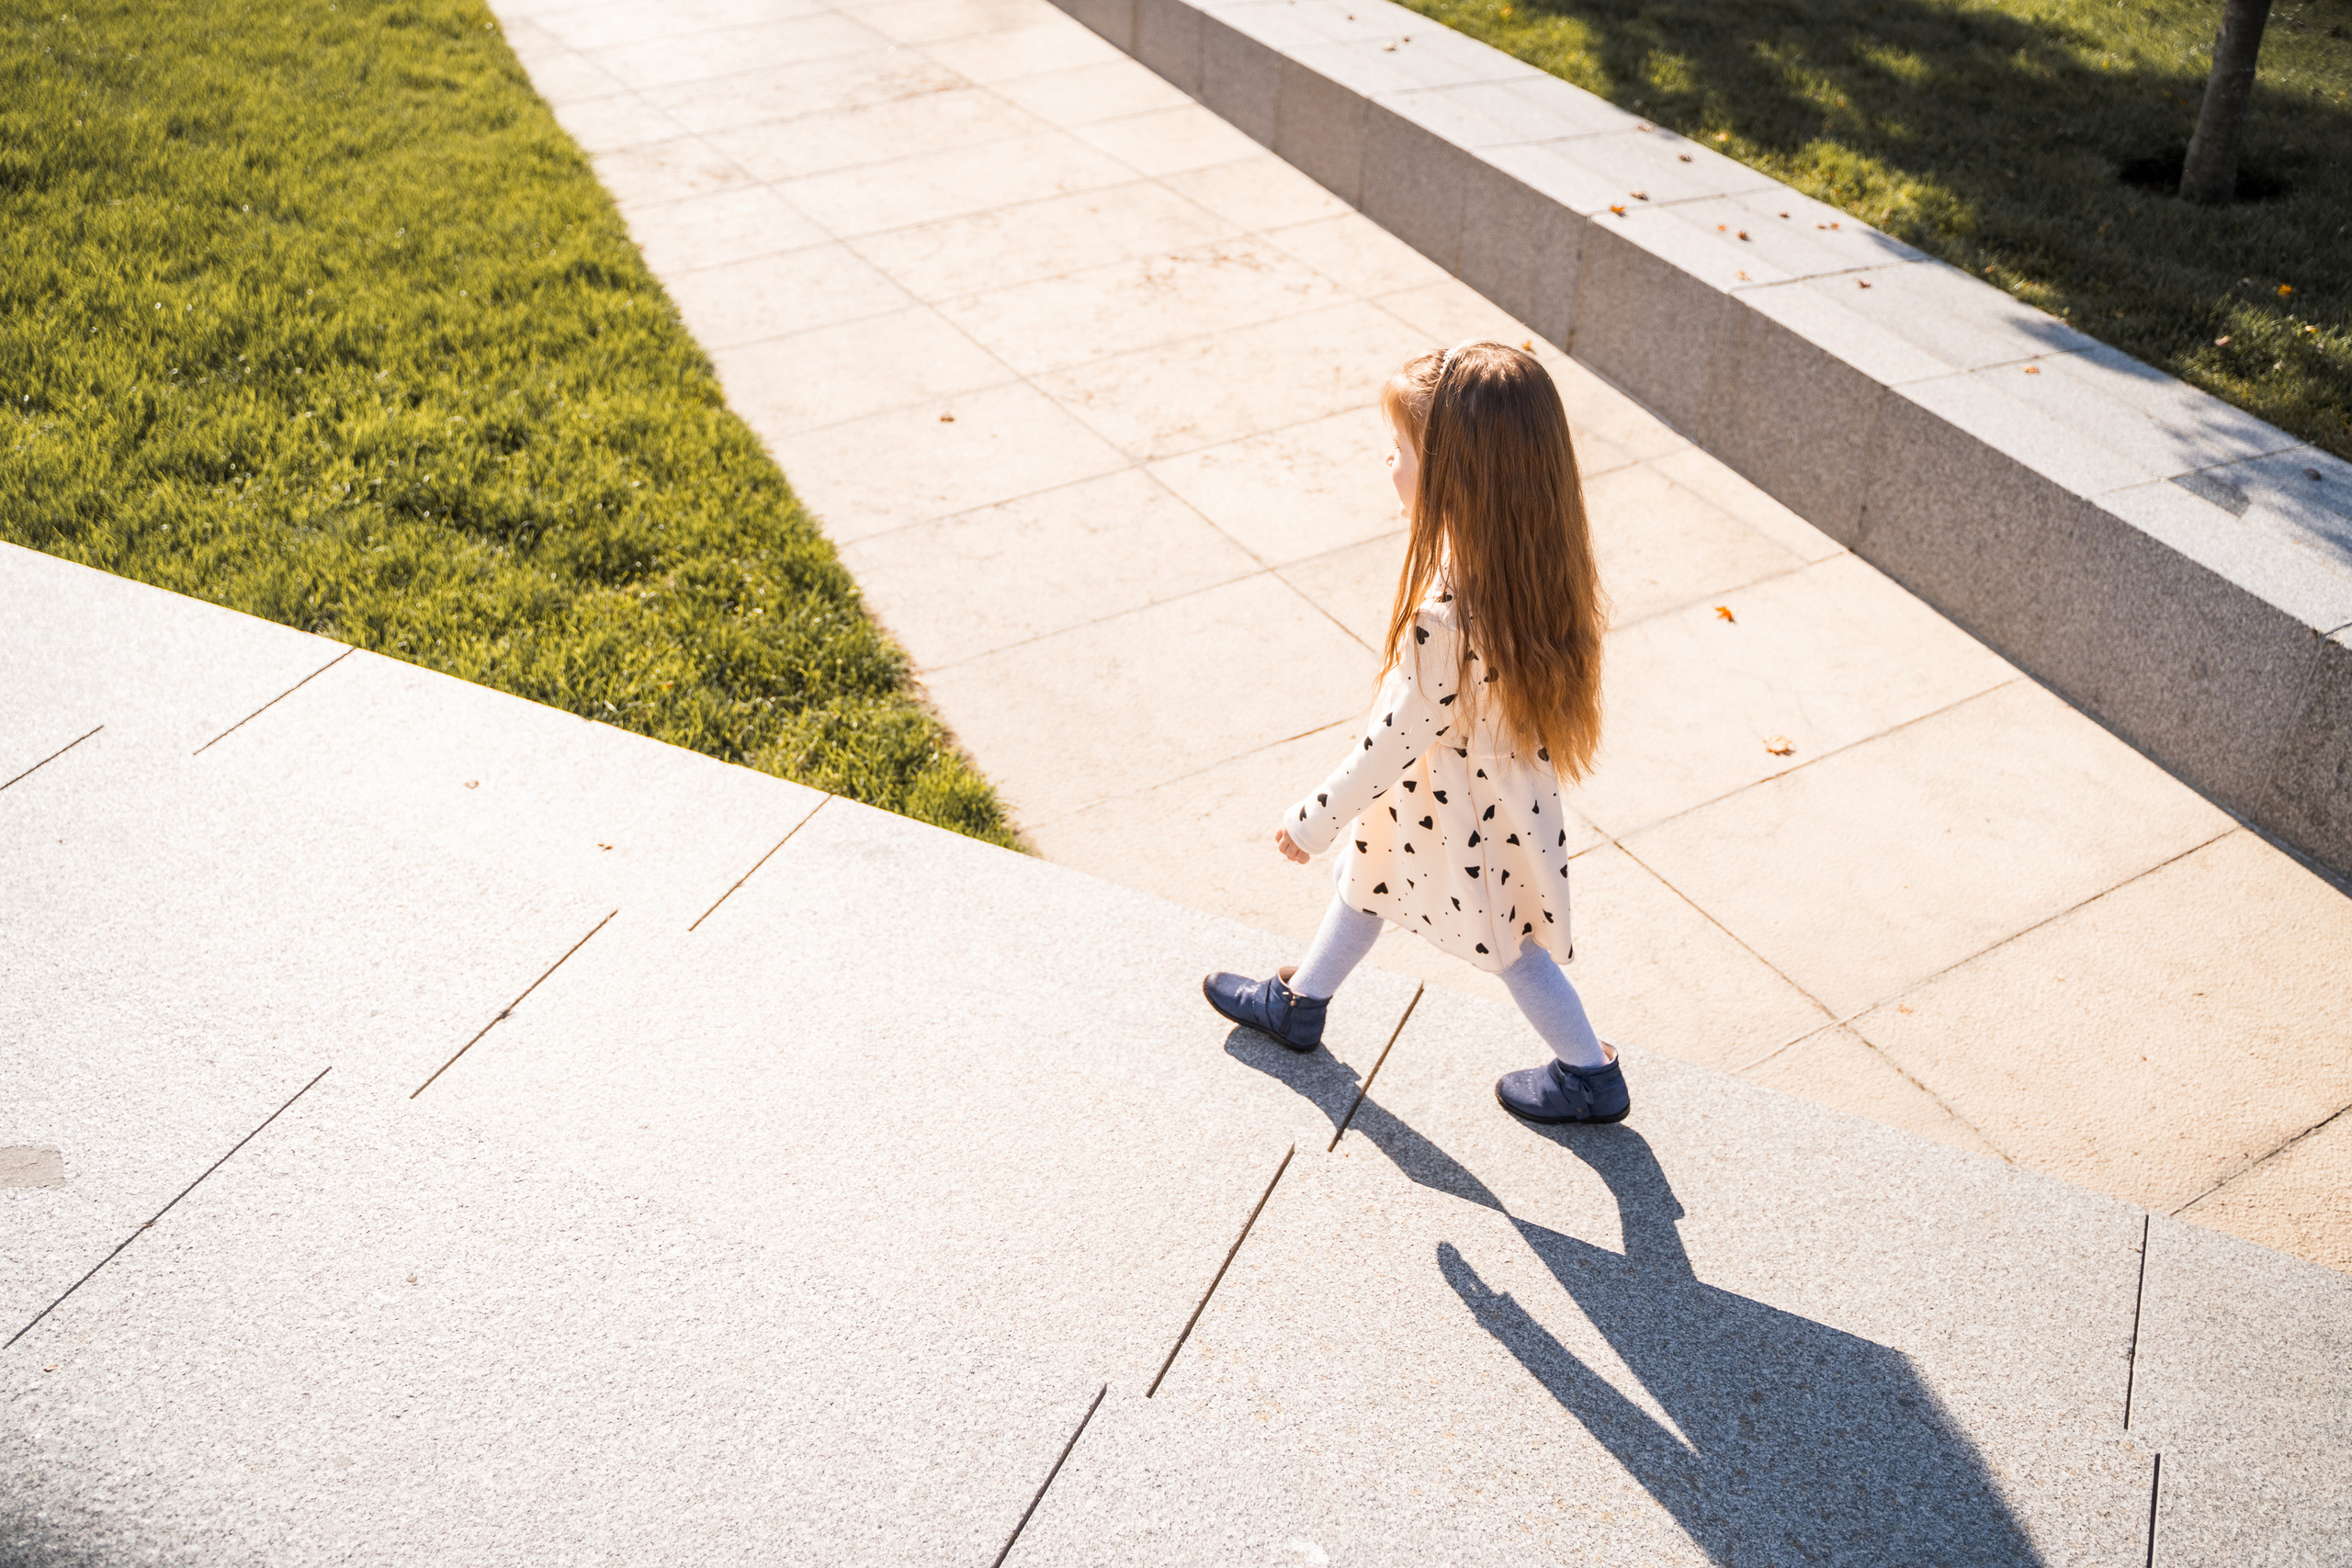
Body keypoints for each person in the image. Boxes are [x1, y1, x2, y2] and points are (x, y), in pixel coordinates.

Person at [1203, 340, 1625, 1125]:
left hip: (1462, 808)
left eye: (1399, 450)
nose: (1387, 462)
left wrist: (1316, 817)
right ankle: (1301, 1002)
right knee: (1370, 880)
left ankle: (1588, 1074)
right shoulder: (1530, 572)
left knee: (1510, 943)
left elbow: (1393, 739)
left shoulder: (1447, 615)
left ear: (1454, 477)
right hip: (1477, 794)